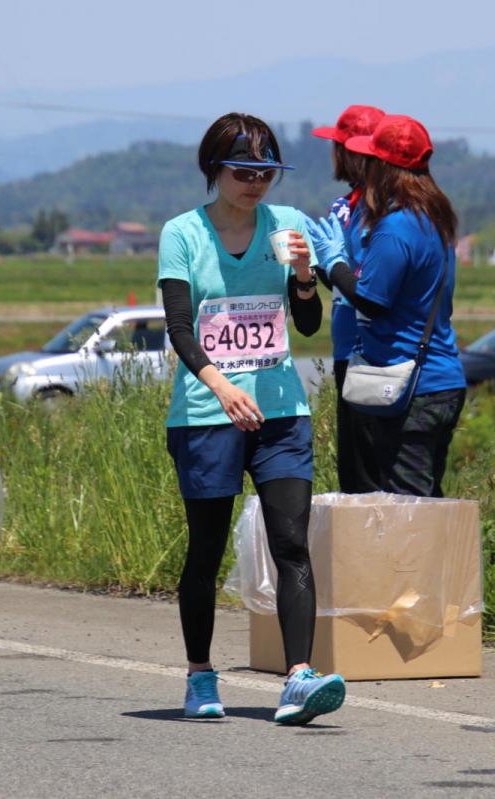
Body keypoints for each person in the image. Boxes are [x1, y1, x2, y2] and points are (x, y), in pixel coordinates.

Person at [157, 112, 345, 724]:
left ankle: (298, 678)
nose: (255, 183)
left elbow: (307, 324)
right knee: (206, 549)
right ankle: (200, 675)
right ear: (215, 170)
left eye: (266, 173)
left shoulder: (288, 225)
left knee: (292, 543)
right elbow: (179, 328)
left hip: (281, 412)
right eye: (243, 172)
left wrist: (303, 275)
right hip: (206, 415)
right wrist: (221, 387)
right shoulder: (182, 233)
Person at [307, 114, 466, 498]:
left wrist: (333, 262)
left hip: (408, 383)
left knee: (406, 507)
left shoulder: (395, 227)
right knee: (424, 498)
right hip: (440, 377)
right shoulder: (433, 217)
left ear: (383, 167)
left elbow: (371, 301)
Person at [309, 104, 385, 493]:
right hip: (347, 349)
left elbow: (370, 287)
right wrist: (313, 264)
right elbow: (340, 284)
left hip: (369, 353)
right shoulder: (346, 207)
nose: (333, 154)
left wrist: (334, 262)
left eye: (337, 146)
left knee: (367, 474)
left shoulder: (380, 213)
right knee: (355, 469)